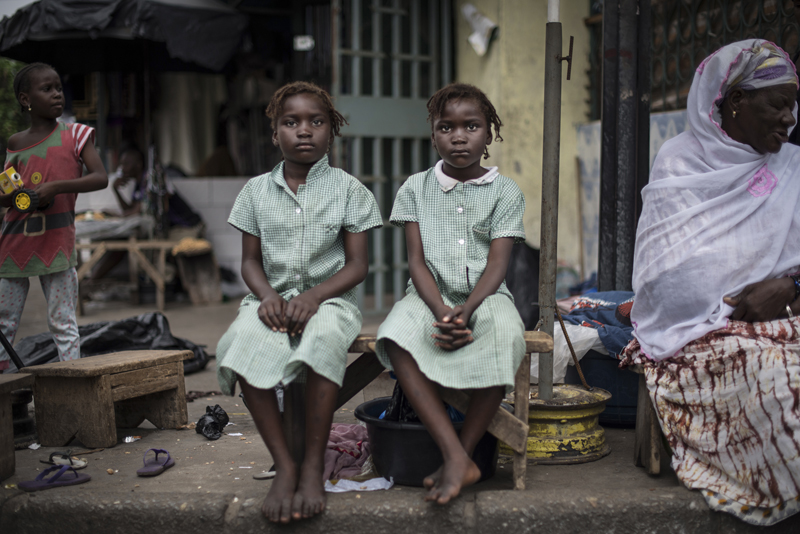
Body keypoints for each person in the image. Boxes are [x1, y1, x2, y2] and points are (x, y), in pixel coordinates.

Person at [623, 40, 800, 525]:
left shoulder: (793, 168)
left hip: (789, 319)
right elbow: (668, 279)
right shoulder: (681, 162)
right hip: (705, 334)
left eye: (793, 105)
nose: (790, 118)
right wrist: (738, 300)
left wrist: (789, 287)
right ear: (736, 100)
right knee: (779, 387)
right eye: (779, 104)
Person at [215, 81, 382, 523]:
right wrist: (266, 296)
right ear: (275, 134)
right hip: (269, 302)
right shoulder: (254, 192)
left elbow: (357, 266)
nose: (304, 131)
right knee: (242, 344)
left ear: (332, 131)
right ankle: (284, 464)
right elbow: (249, 262)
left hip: (330, 302)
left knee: (322, 342)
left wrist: (314, 296)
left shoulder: (350, 190)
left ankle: (312, 464)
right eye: (291, 122)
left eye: (316, 121)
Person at [374, 83, 526, 505]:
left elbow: (498, 265)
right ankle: (456, 455)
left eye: (472, 126)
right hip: (428, 295)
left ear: (489, 133)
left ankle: (464, 454)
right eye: (447, 127)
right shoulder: (414, 189)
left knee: (506, 333)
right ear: (433, 134)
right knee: (395, 335)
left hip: (487, 295)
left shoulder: (506, 191)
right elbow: (416, 263)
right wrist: (441, 309)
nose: (459, 136)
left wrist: (469, 308)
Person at [0, 63, 108, 371]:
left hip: (58, 244)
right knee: (5, 323)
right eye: (46, 89)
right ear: (25, 99)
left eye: (58, 87)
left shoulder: (76, 135)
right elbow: (7, 194)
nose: (57, 94)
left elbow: (100, 177)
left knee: (63, 322)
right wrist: (19, 197)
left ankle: (71, 384)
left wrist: (55, 188)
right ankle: (9, 393)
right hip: (15, 244)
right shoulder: (16, 143)